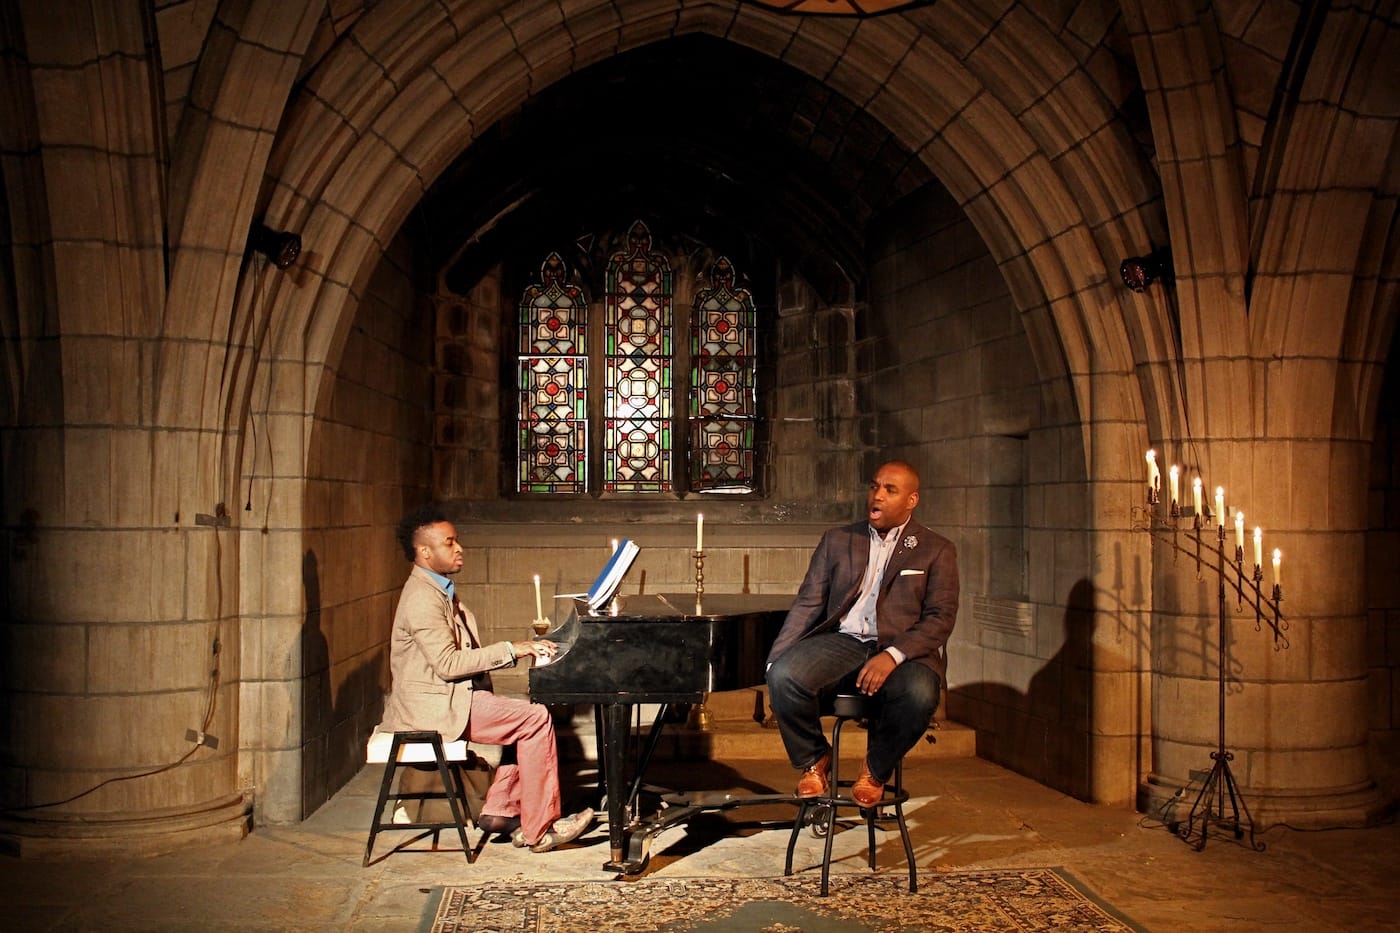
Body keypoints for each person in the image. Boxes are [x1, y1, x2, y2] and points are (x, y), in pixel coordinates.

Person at [372, 504, 594, 852]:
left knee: (521, 715)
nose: (459, 548)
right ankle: (540, 829)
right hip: (433, 708)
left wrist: (516, 651)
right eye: (449, 543)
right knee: (535, 718)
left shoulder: (438, 590)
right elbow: (447, 664)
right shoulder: (421, 598)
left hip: (450, 697)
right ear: (424, 551)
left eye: (457, 540)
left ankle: (501, 810)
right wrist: (514, 649)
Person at [766, 460, 959, 807]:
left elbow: (940, 618)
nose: (878, 495)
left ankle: (875, 769)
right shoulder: (838, 540)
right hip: (844, 641)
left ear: (911, 500)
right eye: (874, 487)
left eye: (890, 490)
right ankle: (814, 759)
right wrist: (775, 658)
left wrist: (893, 655)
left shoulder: (937, 549)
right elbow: (808, 603)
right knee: (784, 676)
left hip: (905, 648)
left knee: (918, 695)